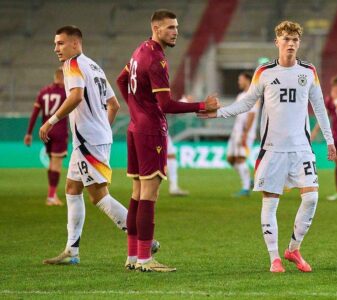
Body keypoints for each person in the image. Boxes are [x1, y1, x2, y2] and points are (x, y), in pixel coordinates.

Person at [200, 20, 335, 273]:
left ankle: (293, 249)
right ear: (277, 42)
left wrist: (329, 139)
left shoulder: (309, 71)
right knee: (270, 203)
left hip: (302, 148)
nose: (291, 43)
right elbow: (247, 103)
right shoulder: (264, 72)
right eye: (286, 39)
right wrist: (219, 114)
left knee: (312, 197)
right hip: (272, 149)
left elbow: (320, 107)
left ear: (299, 43)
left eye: (295, 39)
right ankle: (274, 257)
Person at [116, 9, 219, 272]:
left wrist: (135, 110)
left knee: (137, 194)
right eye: (171, 27)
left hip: (135, 128)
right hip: (151, 132)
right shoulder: (157, 59)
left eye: (176, 27)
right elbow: (166, 105)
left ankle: (132, 256)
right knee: (149, 195)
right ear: (157, 29)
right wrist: (201, 106)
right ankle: (145, 259)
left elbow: (121, 79)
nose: (176, 32)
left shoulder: (140, 50)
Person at [40, 26, 132, 265]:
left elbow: (76, 96)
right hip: (93, 138)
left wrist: (51, 121)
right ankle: (72, 251)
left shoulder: (71, 65)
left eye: (60, 43)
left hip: (87, 140)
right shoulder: (94, 66)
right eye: (55, 43)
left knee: (99, 196)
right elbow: (114, 105)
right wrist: (102, 129)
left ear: (74, 43)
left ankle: (142, 236)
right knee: (72, 189)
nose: (56, 48)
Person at [25, 68, 68, 206]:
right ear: (62, 77)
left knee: (51, 163)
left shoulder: (43, 92)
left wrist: (29, 133)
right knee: (56, 163)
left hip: (46, 131)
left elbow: (34, 113)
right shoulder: (66, 92)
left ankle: (51, 195)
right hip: (60, 131)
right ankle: (51, 196)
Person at [311, 76, 337, 201]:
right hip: (335, 135)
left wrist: (336, 100)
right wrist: (314, 131)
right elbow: (324, 116)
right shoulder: (330, 100)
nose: (333, 89)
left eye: (335, 86)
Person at [226, 72, 259, 197]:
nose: (239, 82)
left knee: (240, 159)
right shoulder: (240, 95)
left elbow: (252, 114)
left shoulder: (253, 95)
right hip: (236, 132)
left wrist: (245, 132)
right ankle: (248, 180)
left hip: (246, 133)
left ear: (247, 80)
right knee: (231, 159)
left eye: (240, 79)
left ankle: (245, 188)